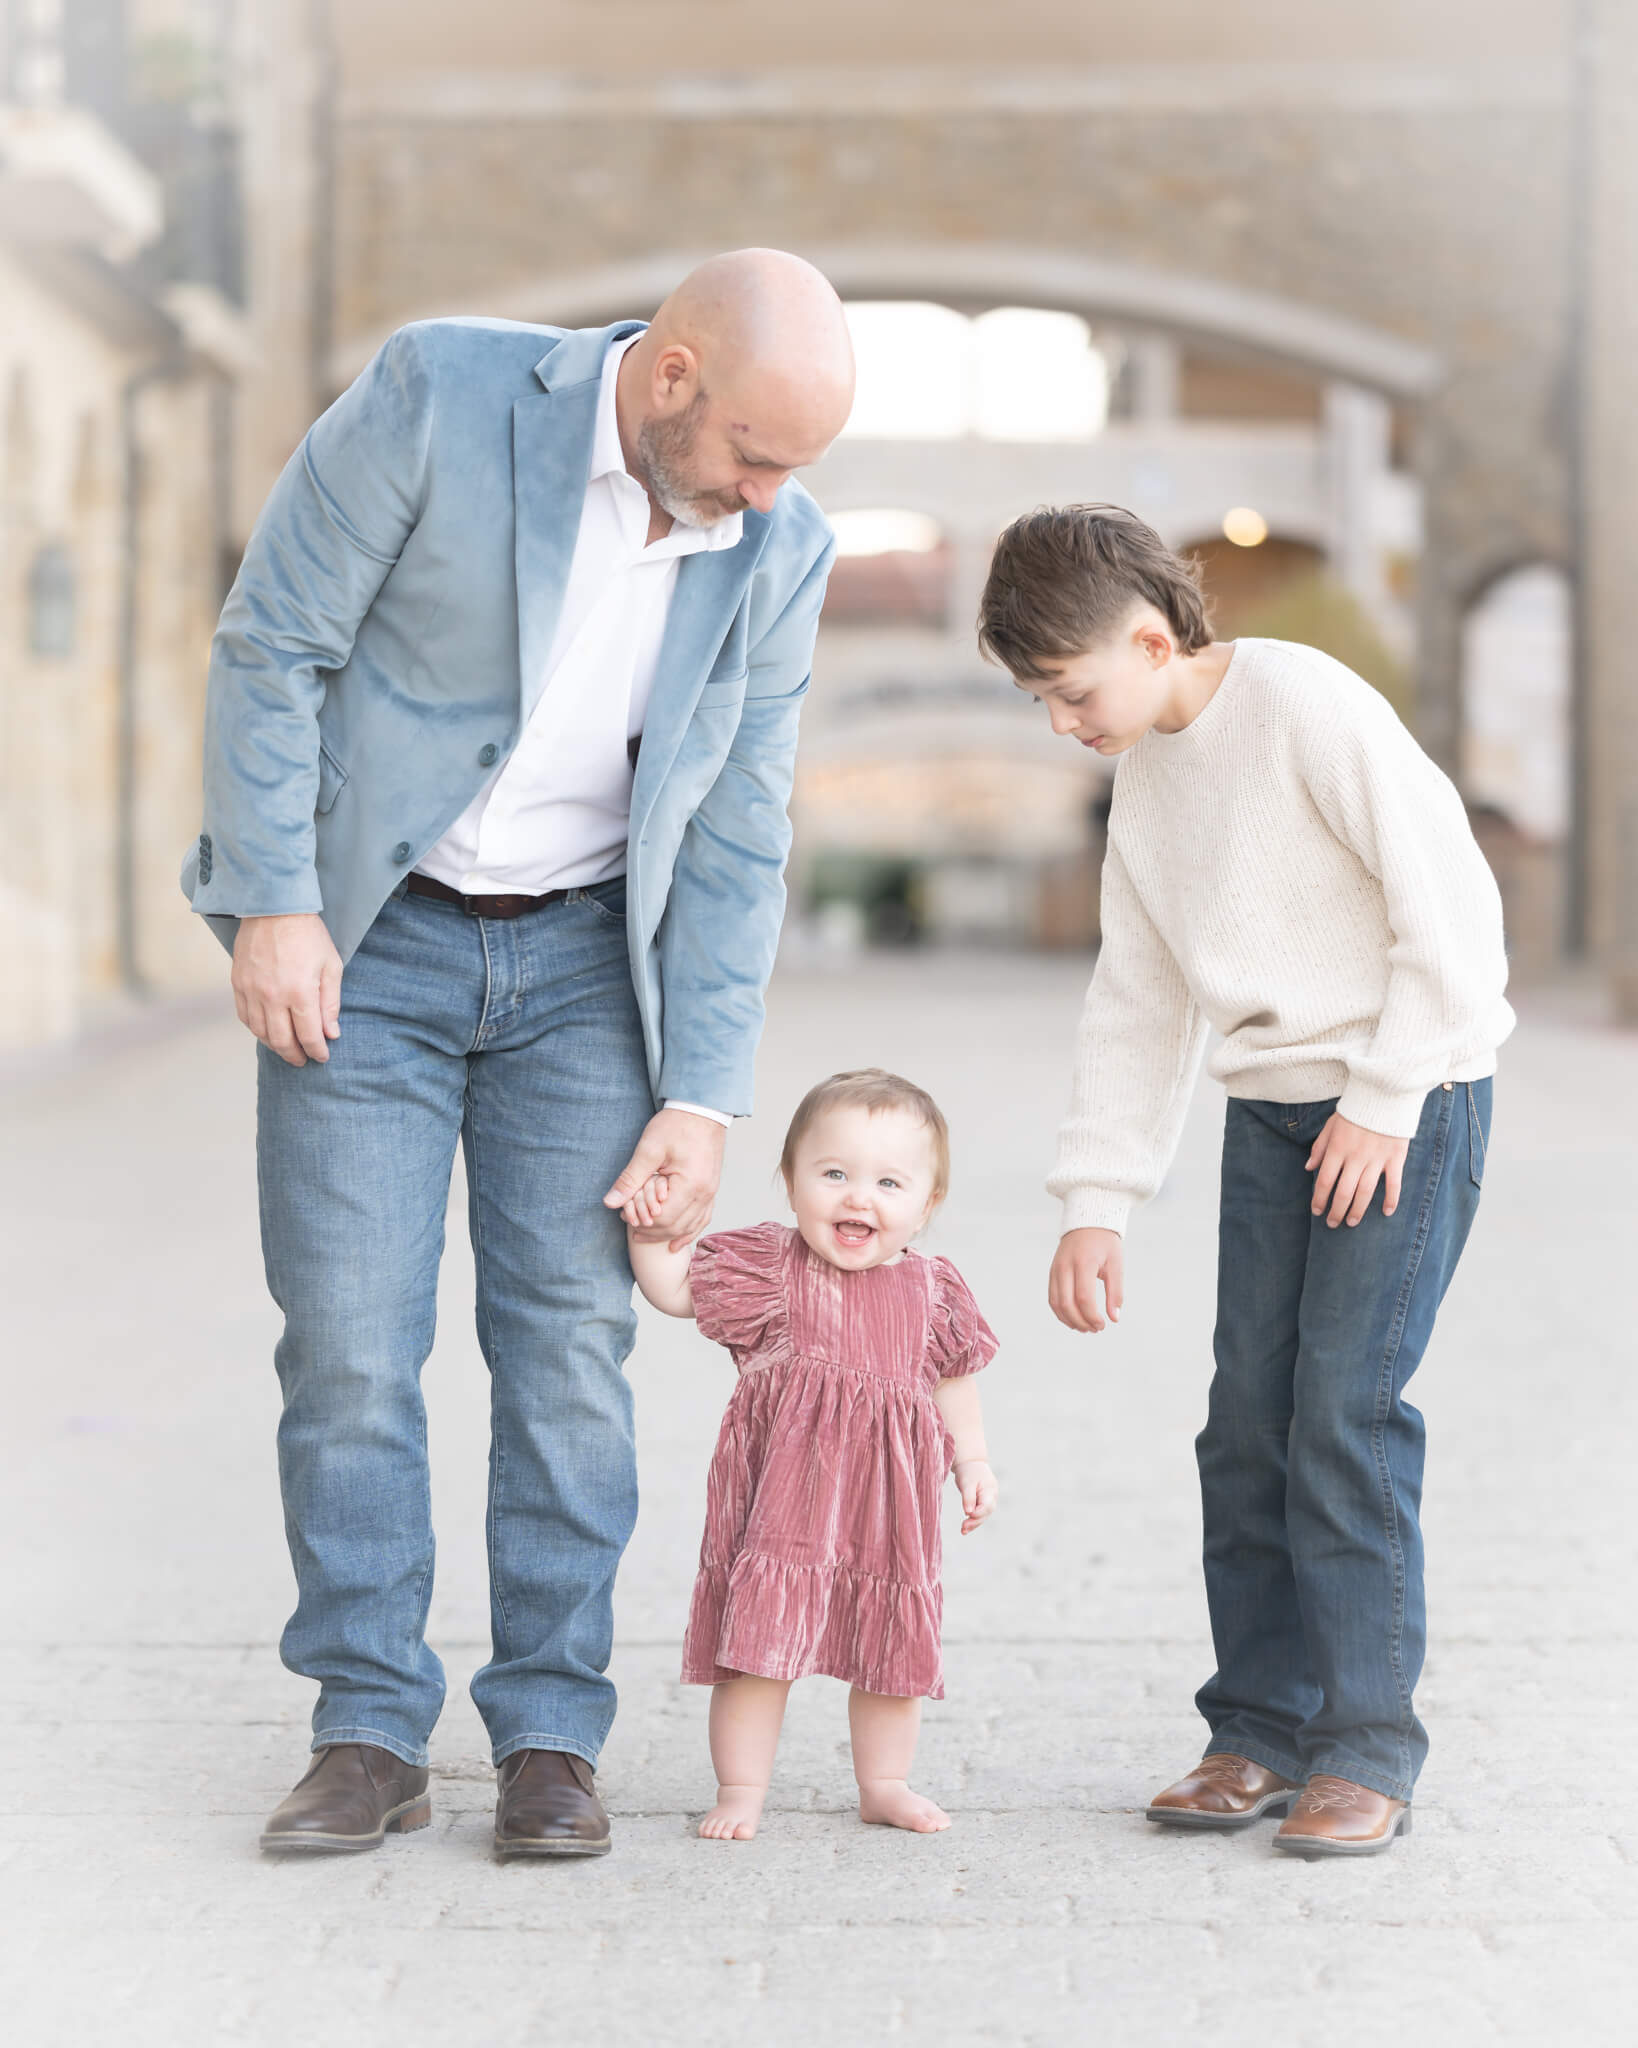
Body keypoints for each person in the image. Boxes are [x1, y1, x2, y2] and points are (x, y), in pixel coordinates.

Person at [182, 250, 855, 1858]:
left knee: (566, 1355)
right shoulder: (440, 394)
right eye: (755, 456)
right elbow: (274, 646)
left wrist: (700, 1091)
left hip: (583, 972)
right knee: (348, 1346)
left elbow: (742, 828)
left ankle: (552, 1730)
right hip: (373, 942)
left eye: (794, 474)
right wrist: (276, 901)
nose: (767, 499)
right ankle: (365, 1726)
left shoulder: (781, 545)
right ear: (671, 375)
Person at [977, 505, 1513, 1859]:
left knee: (1340, 1417)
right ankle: (1256, 1730)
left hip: (1406, 1102)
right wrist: (1095, 1198)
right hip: (1272, 1122)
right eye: (1040, 701)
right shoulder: (1150, 778)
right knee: (1244, 1429)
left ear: (1150, 638)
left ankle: (1365, 1745)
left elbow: (1448, 915)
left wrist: (1385, 1102)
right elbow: (1140, 992)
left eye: (1070, 691)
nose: (1060, 723)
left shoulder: (1305, 705)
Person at [624, 1069, 999, 1840]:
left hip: (886, 1513)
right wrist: (648, 1232)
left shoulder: (933, 1292)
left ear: (926, 1207)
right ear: (790, 1183)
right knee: (761, 1651)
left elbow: (955, 1381)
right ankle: (741, 1789)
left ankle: (884, 1782)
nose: (859, 1197)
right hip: (783, 1510)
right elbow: (672, 1290)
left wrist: (973, 1461)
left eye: (890, 1182)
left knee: (891, 1654)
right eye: (833, 1174)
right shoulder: (768, 1268)